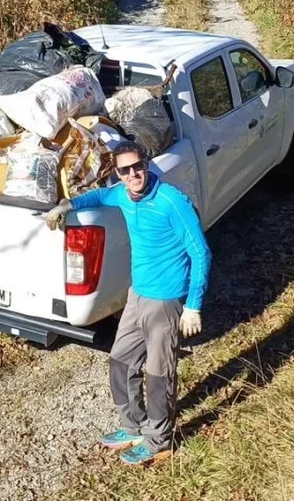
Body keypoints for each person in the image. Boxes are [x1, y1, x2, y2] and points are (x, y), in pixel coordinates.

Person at [46, 140, 211, 465]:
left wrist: (193, 304)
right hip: (137, 295)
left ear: (146, 163)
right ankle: (134, 425)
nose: (134, 173)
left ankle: (159, 441)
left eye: (138, 166)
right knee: (120, 361)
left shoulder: (170, 201)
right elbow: (98, 196)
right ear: (117, 173)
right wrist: (68, 205)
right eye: (125, 169)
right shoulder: (121, 193)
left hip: (166, 299)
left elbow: (201, 252)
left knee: (159, 372)